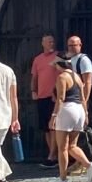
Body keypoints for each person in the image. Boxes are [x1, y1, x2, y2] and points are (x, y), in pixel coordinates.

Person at [52, 57, 92, 182]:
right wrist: (86, 113)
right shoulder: (77, 76)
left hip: (67, 109)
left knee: (62, 147)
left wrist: (54, 116)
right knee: (72, 145)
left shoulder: (62, 77)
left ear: (59, 64)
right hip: (79, 110)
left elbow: (60, 98)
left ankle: (62, 179)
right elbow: (83, 98)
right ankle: (89, 166)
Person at [30, 32, 61, 164]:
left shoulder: (59, 57)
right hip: (42, 96)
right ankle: (52, 154)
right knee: (46, 128)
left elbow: (62, 75)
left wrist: (57, 93)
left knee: (53, 126)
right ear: (42, 43)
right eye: (48, 42)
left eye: (52, 41)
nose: (51, 44)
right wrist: (33, 90)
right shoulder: (37, 59)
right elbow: (34, 77)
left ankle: (52, 155)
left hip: (54, 97)